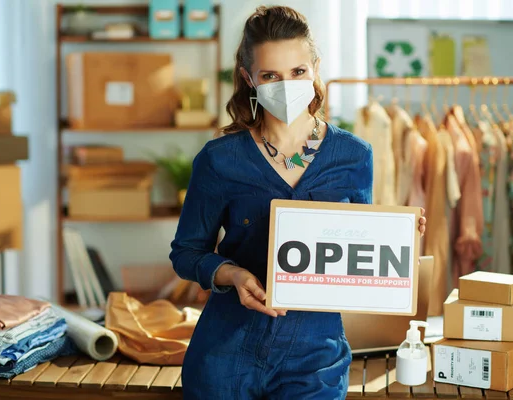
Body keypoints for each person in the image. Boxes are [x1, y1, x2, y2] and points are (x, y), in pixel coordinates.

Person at [169, 6, 427, 399]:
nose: (285, 84)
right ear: (248, 78)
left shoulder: (354, 156)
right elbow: (187, 252)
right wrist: (232, 275)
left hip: (314, 361)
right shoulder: (219, 159)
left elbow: (357, 265)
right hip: (225, 358)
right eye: (270, 75)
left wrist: (400, 236)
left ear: (315, 69)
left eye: (298, 72)